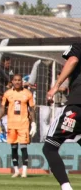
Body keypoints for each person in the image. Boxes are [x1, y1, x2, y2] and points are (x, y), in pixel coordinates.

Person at [43, 43, 81, 190]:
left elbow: (73, 61)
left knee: (50, 148)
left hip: (77, 105)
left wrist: (56, 85)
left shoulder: (78, 46)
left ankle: (66, 188)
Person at [0, 74, 36, 178]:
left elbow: (32, 109)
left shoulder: (28, 93)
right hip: (11, 124)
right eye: (15, 80)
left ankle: (24, 171)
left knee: (23, 147)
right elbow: (3, 108)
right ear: (12, 81)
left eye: (19, 80)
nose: (17, 82)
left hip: (24, 124)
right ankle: (16, 170)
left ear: (22, 82)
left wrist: (34, 123)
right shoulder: (7, 94)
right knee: (13, 148)